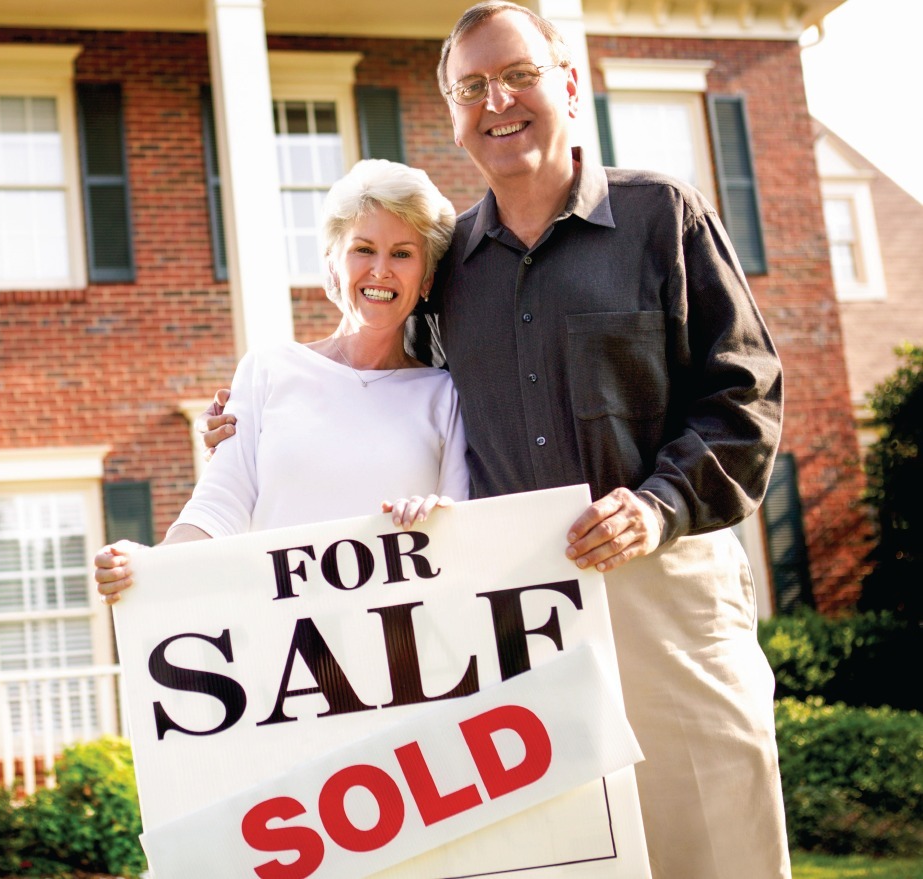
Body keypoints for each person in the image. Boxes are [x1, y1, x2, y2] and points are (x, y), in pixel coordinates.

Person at [199, 3, 791, 877]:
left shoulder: (659, 215)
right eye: (470, 86)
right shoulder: (450, 273)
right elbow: (398, 403)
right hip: (513, 623)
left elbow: (745, 395)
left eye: (517, 74)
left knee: (714, 847)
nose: (497, 99)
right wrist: (245, 431)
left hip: (663, 595)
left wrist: (657, 507)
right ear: (452, 112)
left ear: (568, 83)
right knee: (561, 857)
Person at [95, 158, 469, 601]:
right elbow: (221, 504)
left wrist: (438, 519)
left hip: (400, 641)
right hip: (285, 641)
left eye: (402, 254)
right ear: (333, 263)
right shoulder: (268, 370)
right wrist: (151, 565)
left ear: (426, 278)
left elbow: (460, 531)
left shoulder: (444, 396)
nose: (381, 270)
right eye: (363, 249)